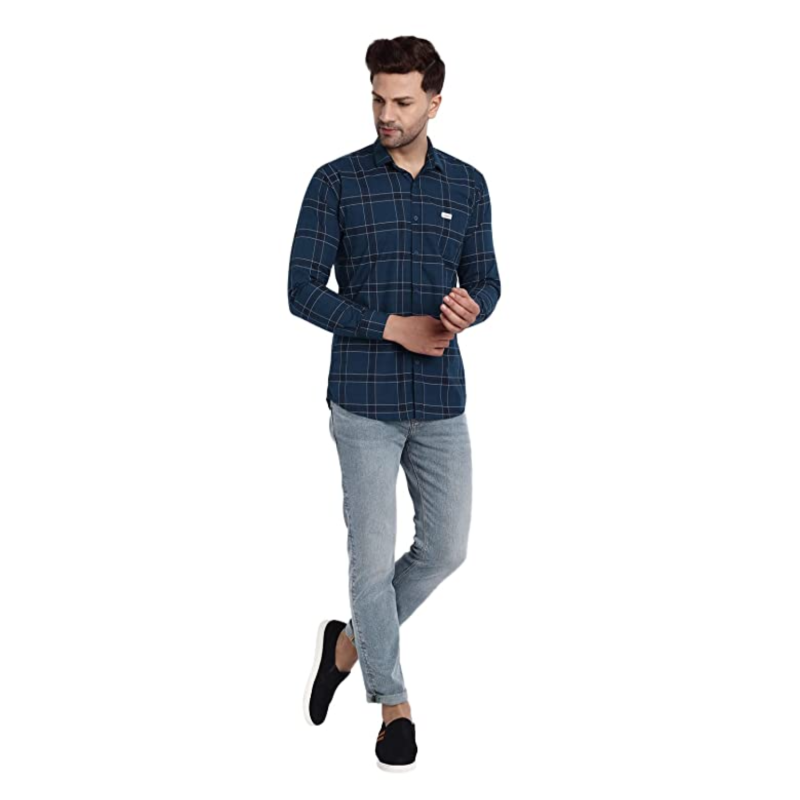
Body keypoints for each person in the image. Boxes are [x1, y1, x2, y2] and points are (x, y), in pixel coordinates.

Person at [289, 36, 501, 771]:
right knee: (371, 559)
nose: (387, 113)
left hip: (441, 400)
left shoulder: (467, 185)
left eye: (403, 101)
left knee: (446, 548)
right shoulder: (336, 182)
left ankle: (348, 643)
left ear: (434, 102)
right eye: (378, 98)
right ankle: (393, 708)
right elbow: (301, 291)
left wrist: (474, 307)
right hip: (363, 402)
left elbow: (488, 279)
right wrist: (390, 326)